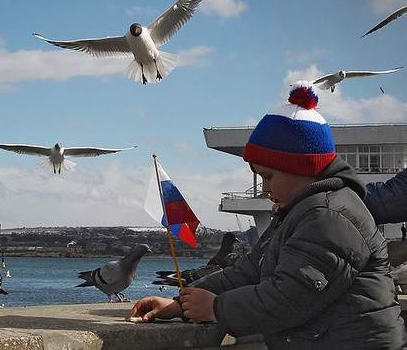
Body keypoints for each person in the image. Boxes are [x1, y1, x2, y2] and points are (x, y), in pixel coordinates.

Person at [129, 82, 406, 349]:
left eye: (268, 176)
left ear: (302, 168)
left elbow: (289, 298)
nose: (264, 188)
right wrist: (181, 304)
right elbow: (249, 271)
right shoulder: (302, 209)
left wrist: (216, 308)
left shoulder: (329, 216)